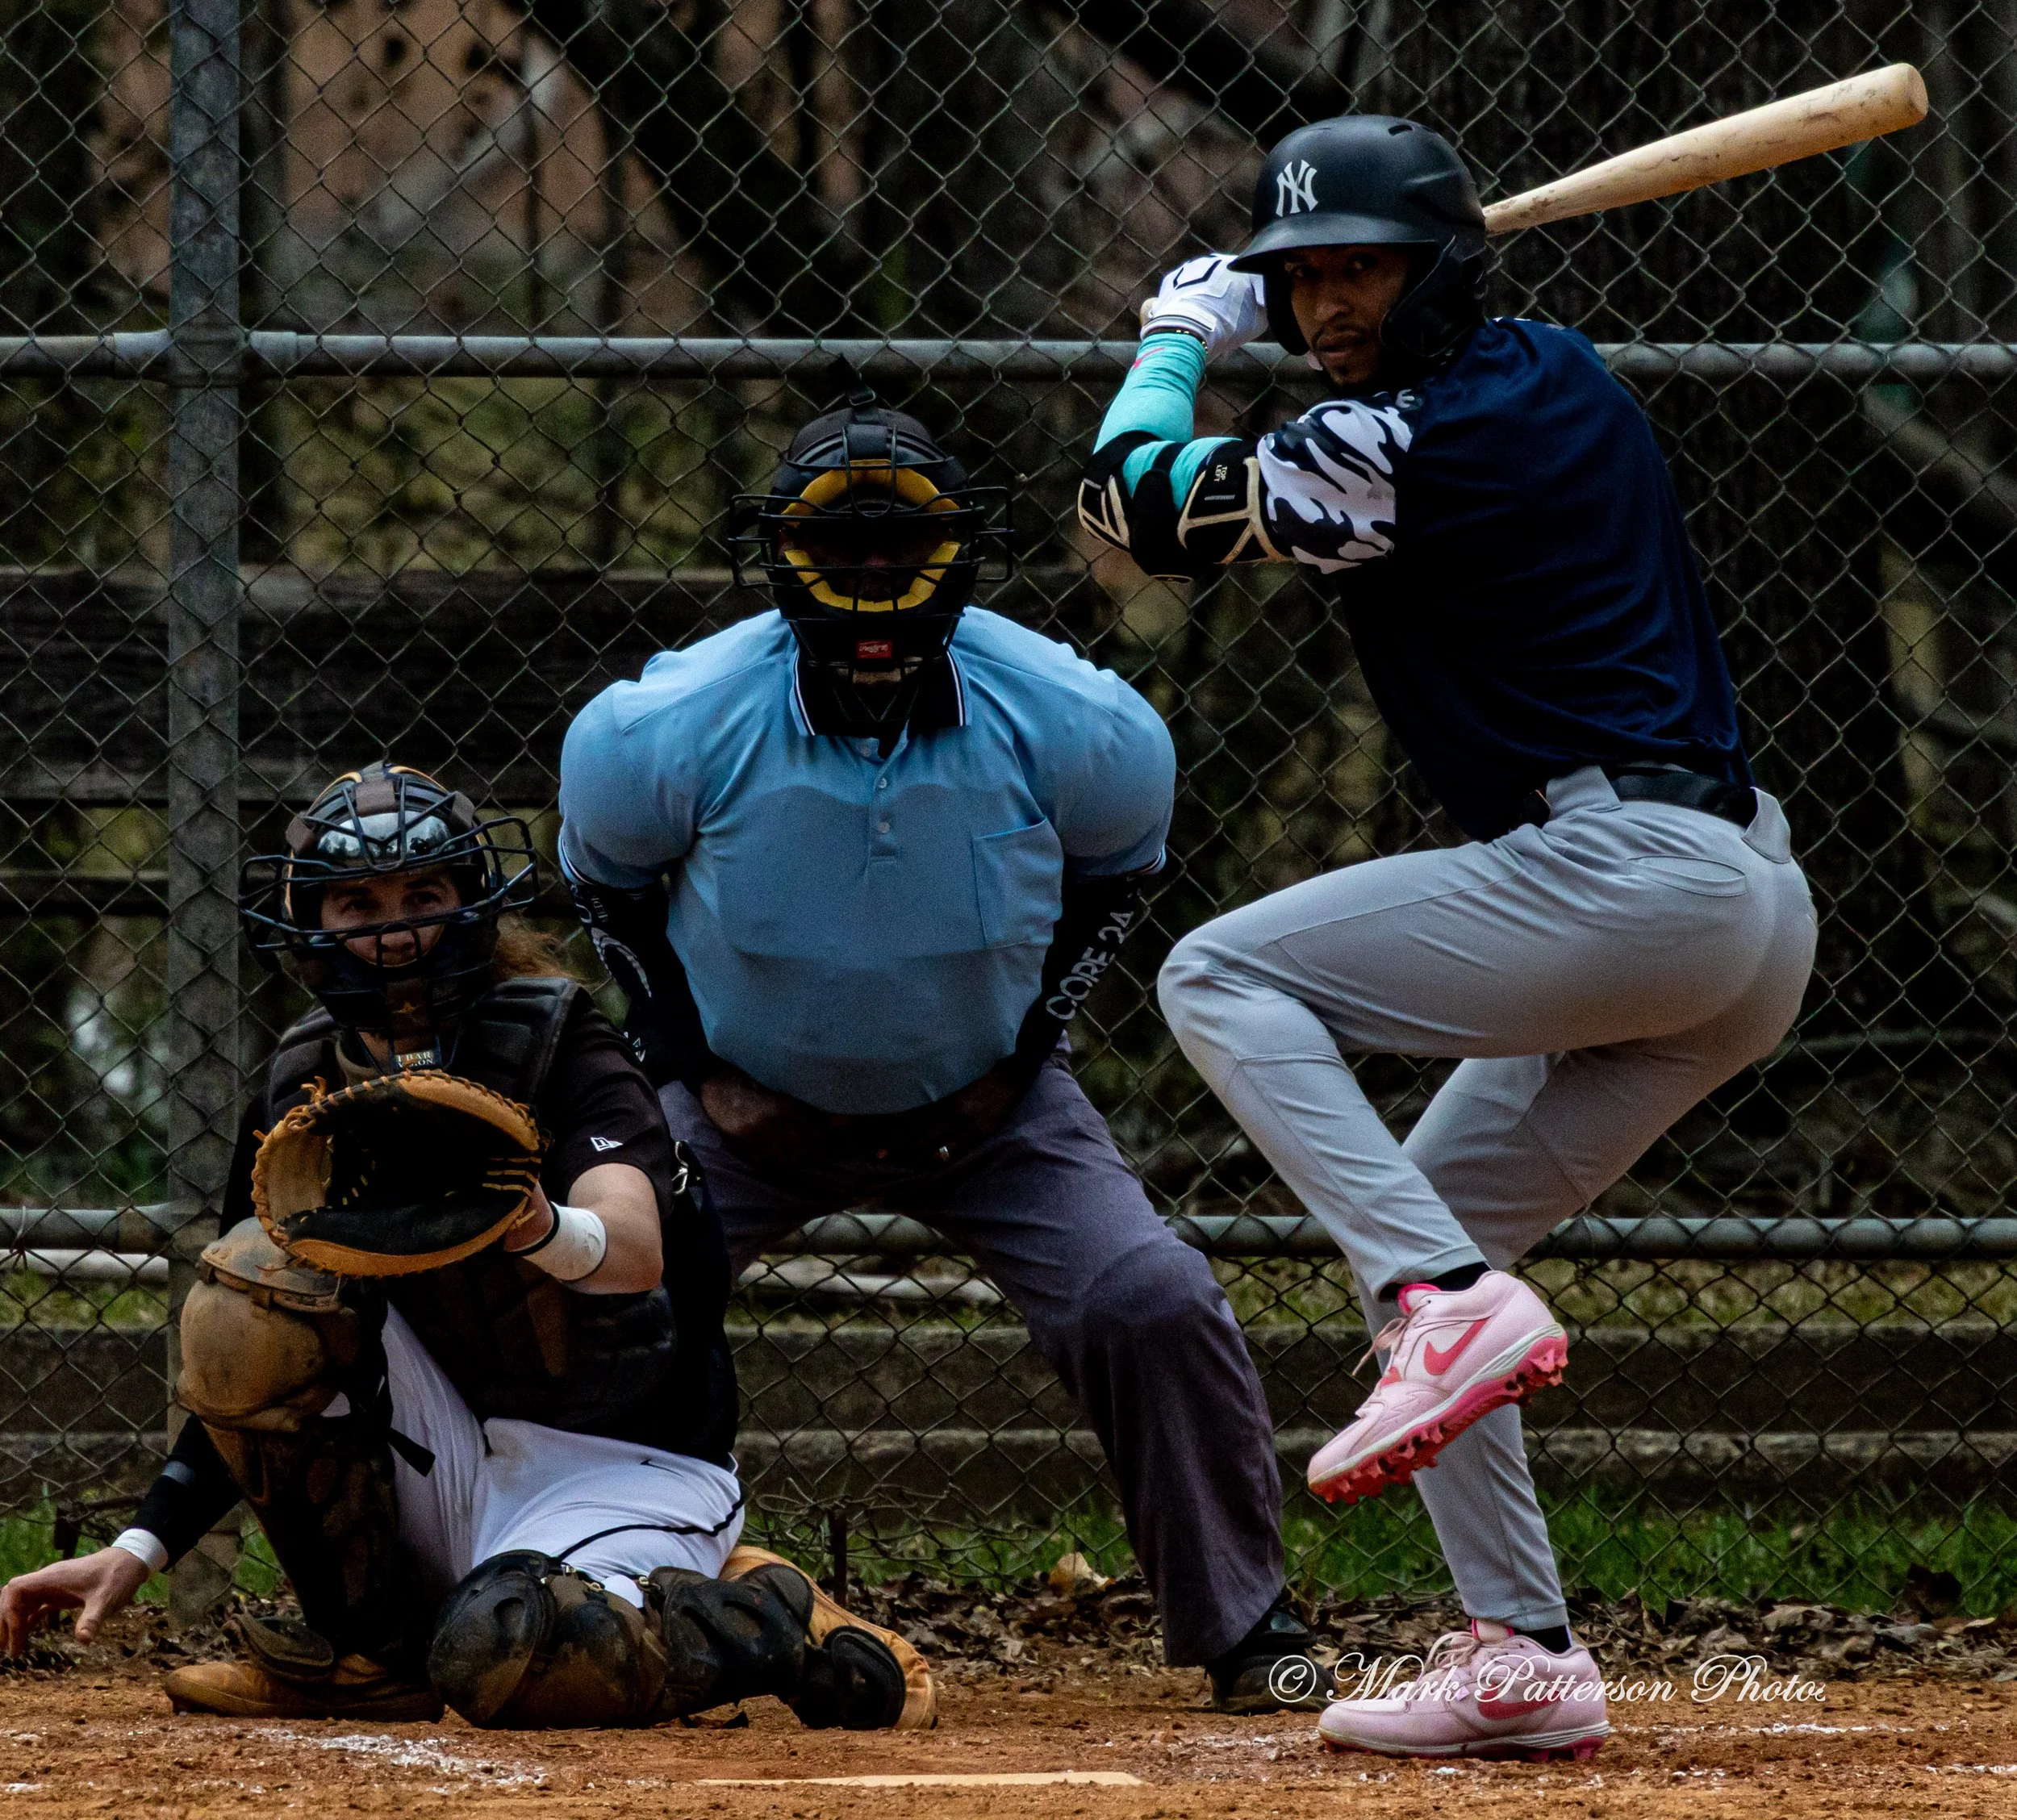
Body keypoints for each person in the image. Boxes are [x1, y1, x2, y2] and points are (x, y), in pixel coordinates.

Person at [1078, 116, 1816, 1760]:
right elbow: (1373, 395)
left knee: (1219, 973)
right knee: (1431, 1243)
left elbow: (1131, 507)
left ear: (1442, 270)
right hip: (1734, 904)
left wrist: (1179, 340)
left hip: (1634, 875)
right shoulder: (1553, 370)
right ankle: (1520, 1652)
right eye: (1304, 272)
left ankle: (1438, 1297)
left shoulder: (1389, 448)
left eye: (1360, 266)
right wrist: (1292, 306)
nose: (1328, 298)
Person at [556, 387, 1317, 1713]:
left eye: (894, 553)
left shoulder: (1083, 725)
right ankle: (567, 1597)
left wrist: (1024, 1051)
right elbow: (610, 894)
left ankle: (1249, 1628)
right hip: (736, 1113)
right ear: (778, 557)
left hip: (995, 1110)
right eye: (835, 552)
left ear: (953, 554)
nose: (868, 587)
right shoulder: (660, 727)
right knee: (591, 1283)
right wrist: (693, 1069)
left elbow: (1118, 876)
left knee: (1153, 1295)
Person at [0, 762, 930, 1733]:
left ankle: (769, 1613)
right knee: (255, 1284)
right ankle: (371, 1654)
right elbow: (257, 1346)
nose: (394, 928)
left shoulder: (561, 1042)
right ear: (312, 923)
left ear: (472, 902)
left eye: (422, 895)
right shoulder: (303, 1080)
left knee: (506, 1657)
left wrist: (535, 1226)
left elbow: (634, 1249)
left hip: (619, 1461)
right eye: (358, 901)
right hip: (443, 1454)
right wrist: (139, 1546)